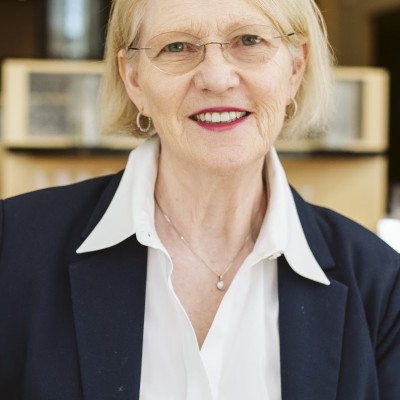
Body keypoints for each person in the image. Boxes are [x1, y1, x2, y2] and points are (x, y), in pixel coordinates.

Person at [0, 0, 399, 398]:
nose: (217, 78)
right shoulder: (12, 247)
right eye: (177, 46)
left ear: (296, 69)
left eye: (249, 40)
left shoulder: (380, 284)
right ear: (133, 79)